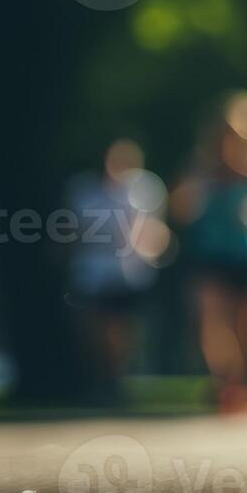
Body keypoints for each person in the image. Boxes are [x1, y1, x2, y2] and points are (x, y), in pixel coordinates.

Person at [172, 92, 247, 414]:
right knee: (211, 319)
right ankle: (224, 380)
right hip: (211, 255)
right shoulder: (201, 164)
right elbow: (180, 207)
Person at [64, 138, 169, 404]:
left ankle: (116, 381)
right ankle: (102, 380)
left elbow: (155, 229)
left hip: (128, 274)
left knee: (119, 330)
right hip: (91, 274)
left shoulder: (145, 189)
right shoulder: (83, 190)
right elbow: (71, 231)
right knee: (93, 331)